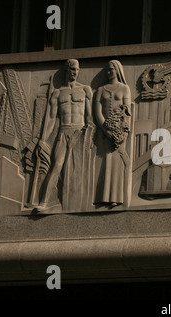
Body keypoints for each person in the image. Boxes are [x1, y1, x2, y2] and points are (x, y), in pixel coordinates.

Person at [36, 59, 94, 211]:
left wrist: (89, 135)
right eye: (72, 69)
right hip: (63, 132)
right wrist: (42, 140)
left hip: (79, 133)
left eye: (77, 69)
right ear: (66, 70)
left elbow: (89, 117)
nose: (75, 72)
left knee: (78, 168)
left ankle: (78, 203)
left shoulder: (85, 90)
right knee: (57, 166)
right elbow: (50, 118)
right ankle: (44, 202)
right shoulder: (58, 93)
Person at [94, 60, 132, 206]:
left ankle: (116, 198)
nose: (109, 72)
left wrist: (122, 133)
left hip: (119, 132)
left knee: (117, 164)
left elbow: (127, 112)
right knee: (104, 163)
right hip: (104, 133)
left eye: (111, 69)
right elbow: (97, 112)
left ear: (117, 70)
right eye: (107, 70)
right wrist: (106, 130)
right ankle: (102, 197)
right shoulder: (101, 90)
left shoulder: (124, 89)